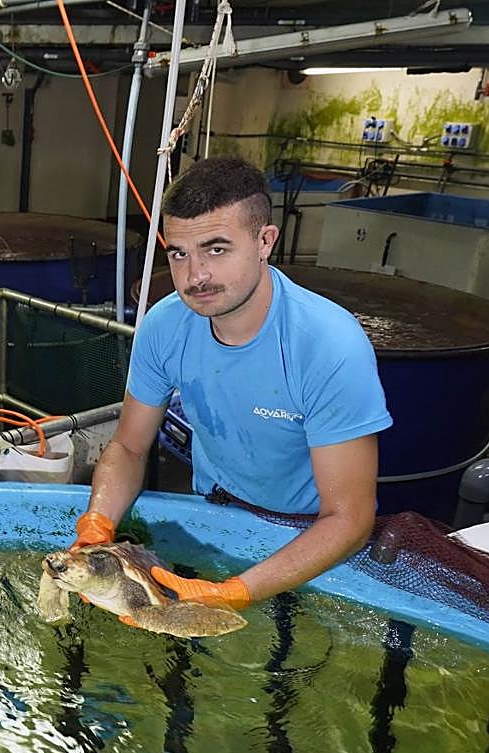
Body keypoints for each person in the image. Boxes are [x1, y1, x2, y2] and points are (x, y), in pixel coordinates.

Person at [73, 157, 392, 613]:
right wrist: (98, 523)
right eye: (179, 253)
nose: (194, 275)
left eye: (216, 249)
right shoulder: (164, 326)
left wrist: (237, 592)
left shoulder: (328, 345)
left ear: (265, 241)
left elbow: (350, 518)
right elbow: (128, 447)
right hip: (213, 513)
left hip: (306, 537)